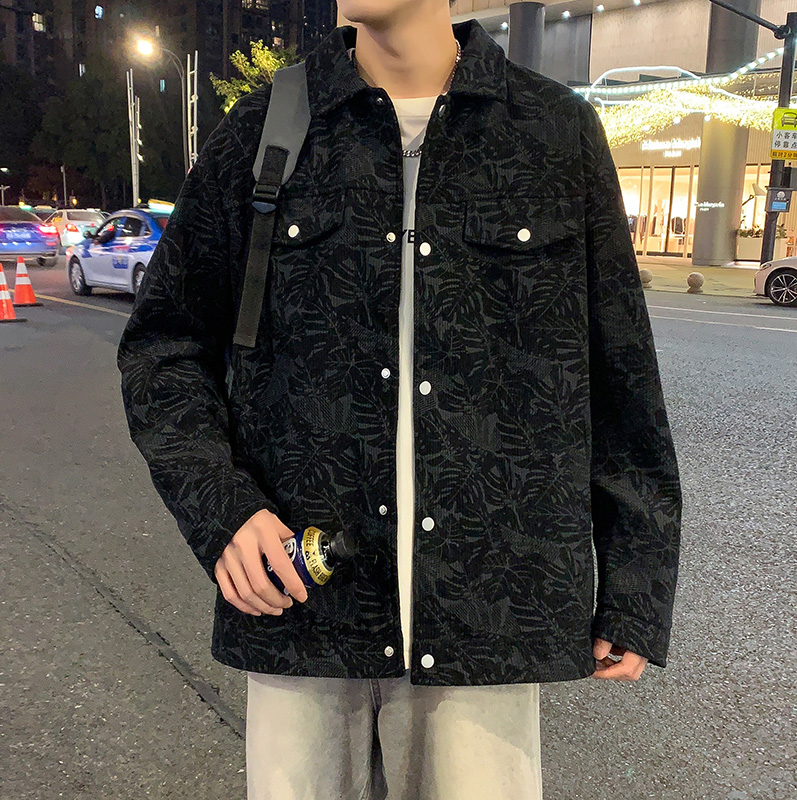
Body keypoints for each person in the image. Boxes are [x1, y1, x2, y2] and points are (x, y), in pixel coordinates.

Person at [117, 1, 682, 798]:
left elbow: (620, 373)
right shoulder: (265, 131)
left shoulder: (552, 133)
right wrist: (224, 511)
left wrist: (636, 585)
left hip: (487, 615)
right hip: (307, 608)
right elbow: (164, 347)